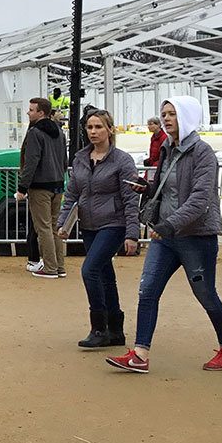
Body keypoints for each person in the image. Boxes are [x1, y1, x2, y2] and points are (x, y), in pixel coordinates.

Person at [107, 97, 222, 374]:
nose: (166, 119)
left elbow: (200, 199)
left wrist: (169, 224)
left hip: (196, 236)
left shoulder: (203, 153)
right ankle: (140, 354)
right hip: (165, 236)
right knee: (148, 290)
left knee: (205, 294)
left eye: (172, 114)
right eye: (164, 114)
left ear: (187, 117)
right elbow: (168, 187)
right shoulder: (167, 148)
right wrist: (148, 188)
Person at [57, 110, 140, 350]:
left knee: (89, 270)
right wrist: (63, 222)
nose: (93, 132)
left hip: (114, 223)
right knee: (105, 275)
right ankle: (116, 330)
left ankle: (99, 327)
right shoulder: (81, 158)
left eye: (98, 127)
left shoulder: (122, 161)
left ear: (110, 130)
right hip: (89, 225)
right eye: (90, 127)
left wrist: (132, 234)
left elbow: (130, 199)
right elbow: (72, 192)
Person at [16, 97, 67, 279]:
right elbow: (64, 160)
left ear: (41, 113)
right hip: (57, 185)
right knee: (54, 227)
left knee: (43, 228)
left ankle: (50, 267)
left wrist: (22, 187)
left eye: (31, 110)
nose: (28, 112)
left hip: (40, 187)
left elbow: (31, 162)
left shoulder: (35, 133)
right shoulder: (60, 133)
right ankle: (59, 266)